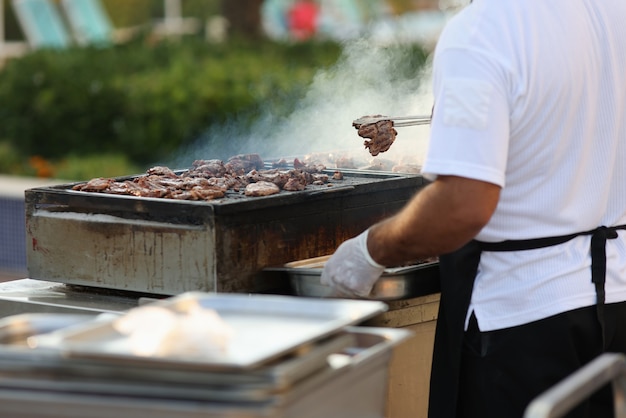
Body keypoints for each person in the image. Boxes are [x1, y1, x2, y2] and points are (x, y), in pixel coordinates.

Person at [320, 0, 626, 417]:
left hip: (521, 322)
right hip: (616, 302)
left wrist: (367, 252)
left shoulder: (485, 28)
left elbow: (461, 207)